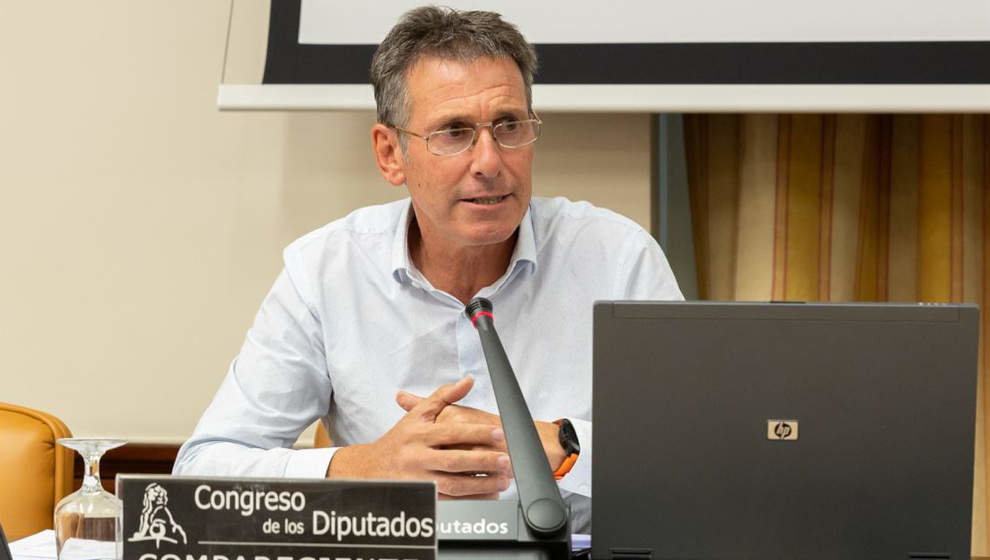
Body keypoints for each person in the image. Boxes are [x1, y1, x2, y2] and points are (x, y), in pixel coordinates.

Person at [173, 6, 683, 532]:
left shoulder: (617, 258)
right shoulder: (326, 272)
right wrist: (367, 467)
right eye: (454, 132)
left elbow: (697, 456)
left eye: (508, 126)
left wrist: (559, 443)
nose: (489, 161)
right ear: (390, 153)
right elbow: (200, 473)